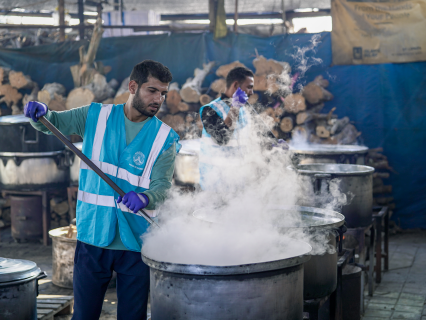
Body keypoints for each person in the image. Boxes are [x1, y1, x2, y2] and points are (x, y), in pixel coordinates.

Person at [24, 60, 180, 320]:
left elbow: (162, 187)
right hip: (93, 235)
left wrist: (145, 197)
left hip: (137, 242)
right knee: (84, 315)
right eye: (152, 90)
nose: (159, 99)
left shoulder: (165, 138)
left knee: (132, 316)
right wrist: (41, 114)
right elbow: (52, 123)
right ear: (133, 86)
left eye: (163, 93)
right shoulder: (95, 116)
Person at [199, 66, 285, 190]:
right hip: (215, 186)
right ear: (236, 85)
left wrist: (275, 146)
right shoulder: (210, 109)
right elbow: (222, 139)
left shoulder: (245, 110)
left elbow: (259, 138)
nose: (252, 92)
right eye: (249, 87)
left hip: (239, 185)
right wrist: (235, 106)